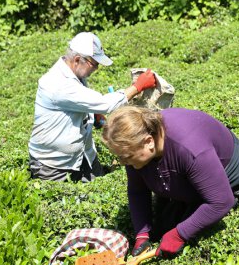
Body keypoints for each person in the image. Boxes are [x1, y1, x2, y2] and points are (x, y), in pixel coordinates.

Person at [101, 107, 239, 258]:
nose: (123, 163)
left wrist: (179, 235)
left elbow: (221, 201)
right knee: (164, 226)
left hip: (228, 173)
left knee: (187, 226)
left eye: (126, 158)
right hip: (183, 169)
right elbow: (138, 191)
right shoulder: (136, 147)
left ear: (148, 142)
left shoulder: (190, 148)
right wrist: (142, 233)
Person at [28, 32, 157, 182]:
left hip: (84, 156)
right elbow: (106, 104)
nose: (96, 68)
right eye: (94, 64)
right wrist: (138, 86)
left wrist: (93, 114)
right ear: (77, 60)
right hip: (54, 165)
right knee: (68, 204)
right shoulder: (58, 83)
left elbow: (79, 101)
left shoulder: (75, 74)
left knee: (99, 190)